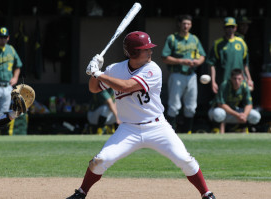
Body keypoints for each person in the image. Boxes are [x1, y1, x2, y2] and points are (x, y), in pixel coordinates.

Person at [66, 31, 216, 199]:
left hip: (157, 127)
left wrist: (98, 74)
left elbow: (127, 86)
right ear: (134, 52)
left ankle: (206, 194)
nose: (151, 51)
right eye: (146, 49)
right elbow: (94, 88)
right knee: (100, 160)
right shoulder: (114, 69)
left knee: (185, 160)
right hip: (128, 129)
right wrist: (95, 70)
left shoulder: (153, 69)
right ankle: (81, 193)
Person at [161, 14, 206, 134]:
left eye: (188, 24)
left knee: (191, 106)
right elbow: (164, 57)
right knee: (174, 106)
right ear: (179, 24)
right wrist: (181, 61)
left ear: (191, 25)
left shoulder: (194, 39)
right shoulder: (172, 38)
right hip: (177, 74)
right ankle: (171, 132)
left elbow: (202, 56)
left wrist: (198, 62)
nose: (186, 26)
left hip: (191, 75)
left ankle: (188, 131)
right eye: (184, 23)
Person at [206, 17, 253, 94]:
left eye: (232, 27)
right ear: (224, 28)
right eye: (228, 27)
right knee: (222, 103)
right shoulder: (218, 43)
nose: (230, 29)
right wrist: (213, 82)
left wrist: (249, 79)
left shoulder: (241, 43)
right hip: (224, 80)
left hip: (239, 81)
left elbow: (245, 64)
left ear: (236, 28)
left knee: (241, 102)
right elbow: (212, 64)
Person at [208, 69, 261, 134]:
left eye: (239, 79)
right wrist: (237, 115)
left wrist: (244, 115)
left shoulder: (244, 85)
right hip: (217, 112)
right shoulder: (225, 85)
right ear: (231, 78)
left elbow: (249, 104)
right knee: (219, 113)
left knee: (256, 116)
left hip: (234, 113)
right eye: (234, 79)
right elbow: (221, 105)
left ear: (243, 79)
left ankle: (242, 129)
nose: (237, 81)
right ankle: (217, 130)